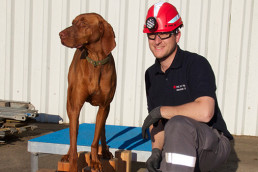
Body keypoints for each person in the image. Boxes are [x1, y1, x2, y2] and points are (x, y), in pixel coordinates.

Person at [141, 2, 233, 172]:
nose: (157, 41)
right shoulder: (150, 75)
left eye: (163, 34)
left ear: (177, 35)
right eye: (152, 36)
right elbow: (158, 124)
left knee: (177, 124)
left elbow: (206, 112)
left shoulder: (195, 64)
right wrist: (155, 152)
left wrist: (162, 111)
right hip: (177, 143)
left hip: (212, 145)